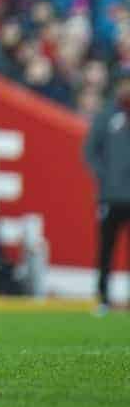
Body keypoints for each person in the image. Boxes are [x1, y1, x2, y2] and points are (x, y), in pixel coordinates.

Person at [83, 67, 130, 314]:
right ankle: (103, 298)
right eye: (124, 82)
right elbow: (90, 151)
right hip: (111, 195)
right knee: (106, 249)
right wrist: (106, 177)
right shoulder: (107, 115)